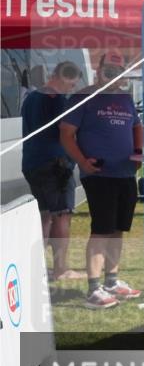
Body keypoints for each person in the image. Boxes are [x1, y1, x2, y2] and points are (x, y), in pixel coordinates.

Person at [59, 50, 143, 309]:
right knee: (101, 230)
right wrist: (83, 162)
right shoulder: (83, 97)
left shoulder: (125, 99)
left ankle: (112, 281)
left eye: (118, 72)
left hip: (125, 172)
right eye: (109, 70)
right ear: (99, 70)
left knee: (118, 230)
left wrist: (138, 152)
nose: (113, 76)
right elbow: (66, 133)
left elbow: (136, 126)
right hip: (99, 174)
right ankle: (94, 289)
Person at [21, 61, 84, 281]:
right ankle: (60, 269)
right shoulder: (57, 100)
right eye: (71, 84)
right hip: (54, 165)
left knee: (45, 215)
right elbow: (65, 131)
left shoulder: (31, 98)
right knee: (62, 215)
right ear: (60, 76)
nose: (71, 89)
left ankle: (36, 267)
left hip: (32, 162)